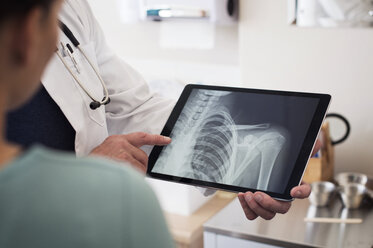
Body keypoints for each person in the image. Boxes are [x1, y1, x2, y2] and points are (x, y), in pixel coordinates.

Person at [5, 0, 318, 221]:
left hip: (92, 220)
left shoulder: (71, 10)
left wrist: (255, 162)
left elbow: (133, 106)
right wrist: (82, 176)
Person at [0, 0, 174, 247]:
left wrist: (245, 162)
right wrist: (86, 181)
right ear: (28, 34)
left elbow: (133, 105)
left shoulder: (73, 9)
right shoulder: (129, 199)